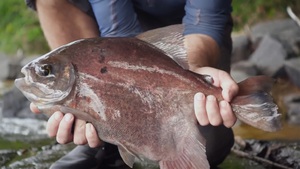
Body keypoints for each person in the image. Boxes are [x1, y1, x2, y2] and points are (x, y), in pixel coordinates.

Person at [25, 0, 239, 168]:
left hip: (191, 38)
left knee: (211, 145)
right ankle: (104, 140)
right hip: (110, 41)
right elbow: (118, 31)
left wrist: (195, 73)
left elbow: (206, 21)